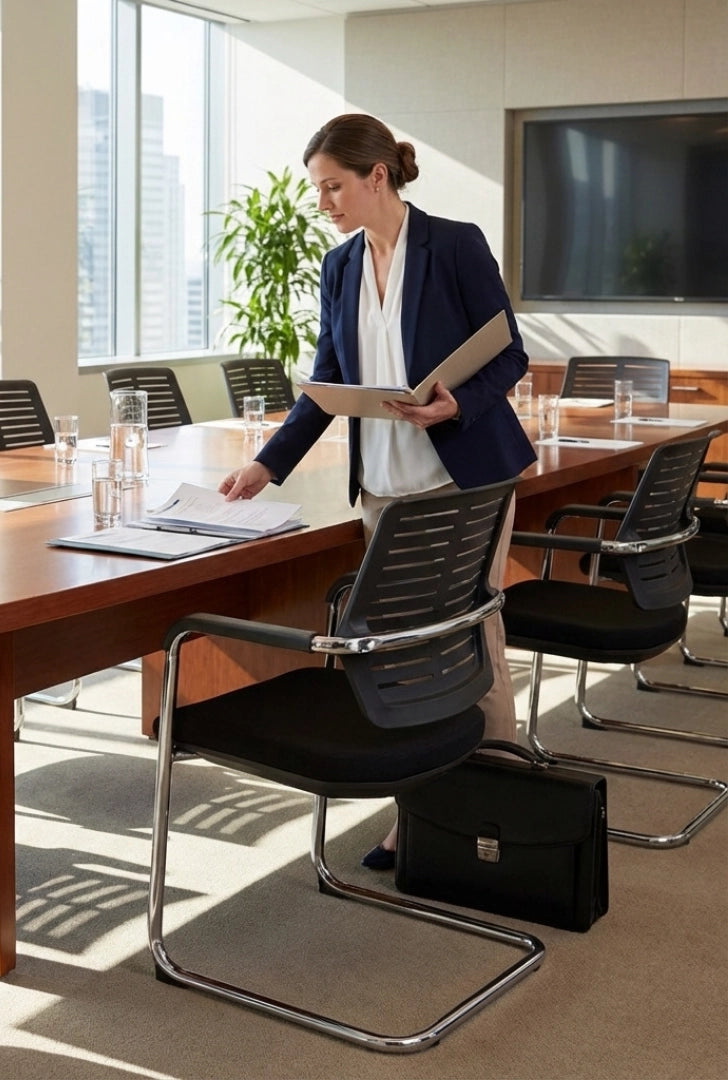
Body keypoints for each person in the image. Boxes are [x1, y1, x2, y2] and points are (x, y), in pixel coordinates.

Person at [220, 112, 536, 870]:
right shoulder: (340, 268)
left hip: (466, 479)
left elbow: (510, 355)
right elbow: (327, 381)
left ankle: (497, 796)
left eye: (333, 186)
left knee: (466, 632)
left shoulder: (453, 244)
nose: (322, 202)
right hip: (385, 490)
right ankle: (418, 808)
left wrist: (453, 404)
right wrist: (269, 464)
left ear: (377, 177)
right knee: (397, 653)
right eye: (317, 190)